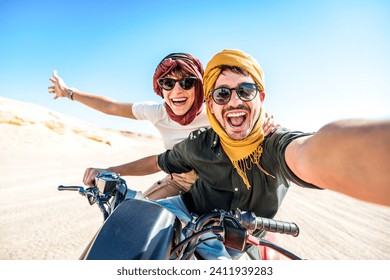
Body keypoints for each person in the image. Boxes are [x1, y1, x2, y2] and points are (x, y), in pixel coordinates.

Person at [83, 49, 390, 259]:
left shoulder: (273, 145)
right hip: (184, 209)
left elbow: (315, 152)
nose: (234, 101)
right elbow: (158, 161)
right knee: (123, 233)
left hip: (241, 235)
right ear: (212, 104)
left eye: (246, 90)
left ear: (262, 97)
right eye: (222, 93)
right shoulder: (201, 142)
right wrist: (110, 169)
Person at [48, 53, 279, 200]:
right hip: (179, 180)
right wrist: (68, 93)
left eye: (187, 83)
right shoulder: (156, 112)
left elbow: (246, 112)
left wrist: (264, 123)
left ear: (199, 88)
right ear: (160, 89)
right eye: (168, 83)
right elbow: (112, 107)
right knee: (133, 221)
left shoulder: (216, 110)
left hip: (221, 186)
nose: (177, 90)